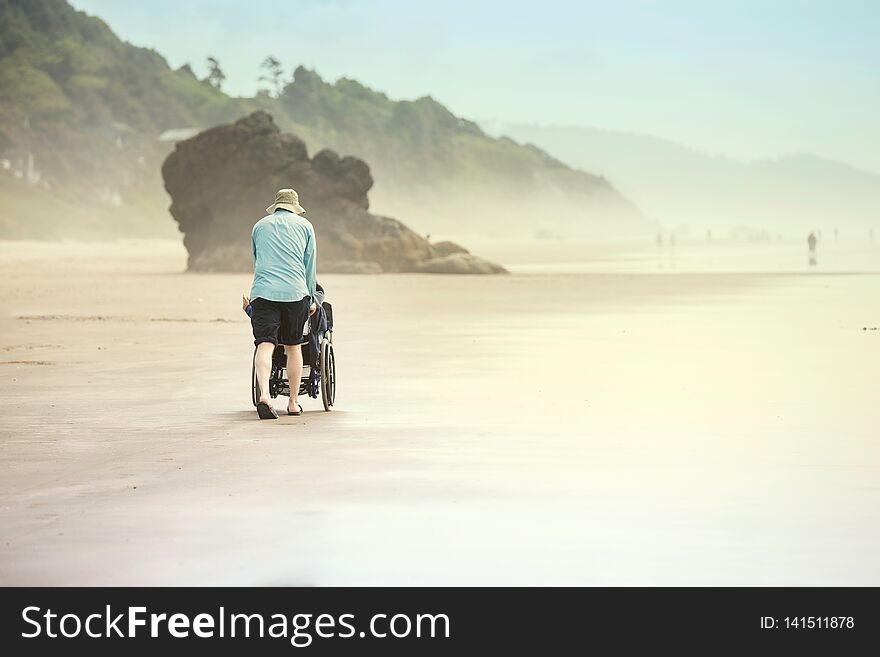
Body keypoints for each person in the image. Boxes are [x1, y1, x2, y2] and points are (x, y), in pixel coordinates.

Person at [249, 188, 317, 420]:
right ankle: (293, 402)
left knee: (265, 344)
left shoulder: (259, 226)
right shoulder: (306, 226)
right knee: (293, 347)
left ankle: (265, 396)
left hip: (263, 292)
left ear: (276, 206)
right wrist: (310, 298)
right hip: (295, 293)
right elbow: (309, 266)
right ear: (295, 207)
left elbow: (257, 260)